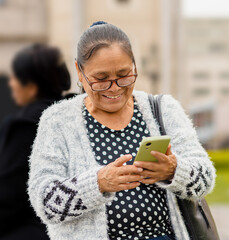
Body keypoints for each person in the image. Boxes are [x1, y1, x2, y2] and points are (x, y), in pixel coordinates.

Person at [28, 21, 216, 240]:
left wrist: (174, 170)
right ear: (80, 72)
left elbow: (205, 180)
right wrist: (98, 183)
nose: (115, 87)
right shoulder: (57, 120)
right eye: (101, 79)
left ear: (134, 66)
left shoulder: (164, 109)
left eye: (124, 74)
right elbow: (45, 202)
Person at [0, 44, 71, 239]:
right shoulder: (73, 114)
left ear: (31, 87)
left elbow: (9, 196)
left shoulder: (25, 125)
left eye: (15, 78)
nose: (11, 83)